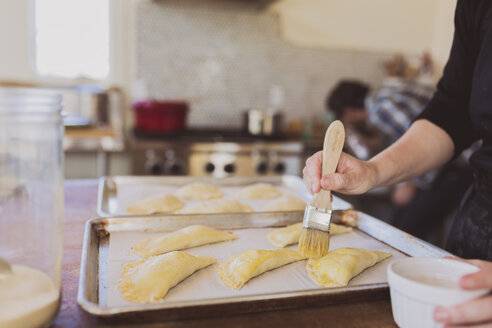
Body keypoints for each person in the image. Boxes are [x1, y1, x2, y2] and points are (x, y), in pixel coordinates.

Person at [303, 1, 492, 326]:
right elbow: (451, 113)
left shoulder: (381, 106)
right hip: (479, 224)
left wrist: (412, 184)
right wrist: (372, 171)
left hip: (454, 174)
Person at [327, 79, 473, 241]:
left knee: (404, 228)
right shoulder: (386, 89)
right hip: (454, 158)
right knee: (403, 220)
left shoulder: (381, 109)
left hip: (462, 163)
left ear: (348, 111)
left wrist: (411, 184)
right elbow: (408, 134)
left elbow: (424, 144)